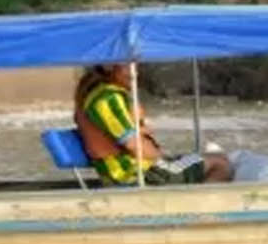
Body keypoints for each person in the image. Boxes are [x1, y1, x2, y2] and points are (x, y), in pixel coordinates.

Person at [75, 63, 231, 185]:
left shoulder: (98, 94)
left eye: (135, 66)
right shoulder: (108, 98)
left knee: (211, 157)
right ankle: (202, 213)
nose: (135, 72)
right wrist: (162, 158)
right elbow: (133, 144)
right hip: (138, 174)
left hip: (135, 170)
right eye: (128, 66)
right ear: (108, 66)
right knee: (220, 163)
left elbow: (122, 135)